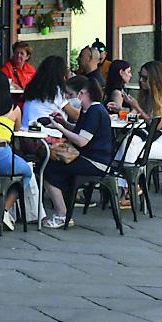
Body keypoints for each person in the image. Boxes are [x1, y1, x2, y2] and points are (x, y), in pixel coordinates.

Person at [41, 77, 113, 228]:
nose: (68, 98)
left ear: (82, 93)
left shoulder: (94, 111)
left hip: (95, 161)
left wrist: (60, 128)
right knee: (51, 166)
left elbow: (81, 141)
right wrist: (63, 123)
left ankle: (61, 214)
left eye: (70, 94)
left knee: (47, 170)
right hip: (93, 158)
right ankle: (63, 211)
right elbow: (81, 131)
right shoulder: (91, 110)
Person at [0, 70, 39, 230]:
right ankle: (4, 210)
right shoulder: (14, 109)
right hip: (1, 157)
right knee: (26, 173)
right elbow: (17, 130)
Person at [121, 61, 162, 165]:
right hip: (148, 135)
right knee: (125, 144)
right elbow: (136, 115)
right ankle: (127, 174)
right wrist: (122, 109)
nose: (141, 80)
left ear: (154, 79)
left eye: (145, 78)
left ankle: (128, 175)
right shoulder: (147, 94)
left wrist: (137, 107)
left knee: (130, 149)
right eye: (140, 76)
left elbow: (157, 125)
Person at [22, 56, 79, 125]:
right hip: (46, 130)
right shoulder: (55, 91)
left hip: (26, 128)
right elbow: (76, 116)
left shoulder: (33, 86)